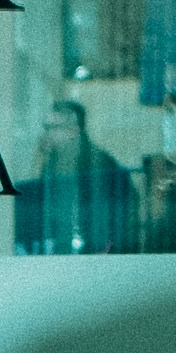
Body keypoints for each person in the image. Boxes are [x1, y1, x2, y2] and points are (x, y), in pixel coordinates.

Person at [15, 100, 138, 254]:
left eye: (52, 127)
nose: (46, 133)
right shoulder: (54, 162)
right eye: (45, 127)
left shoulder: (97, 163)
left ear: (73, 130)